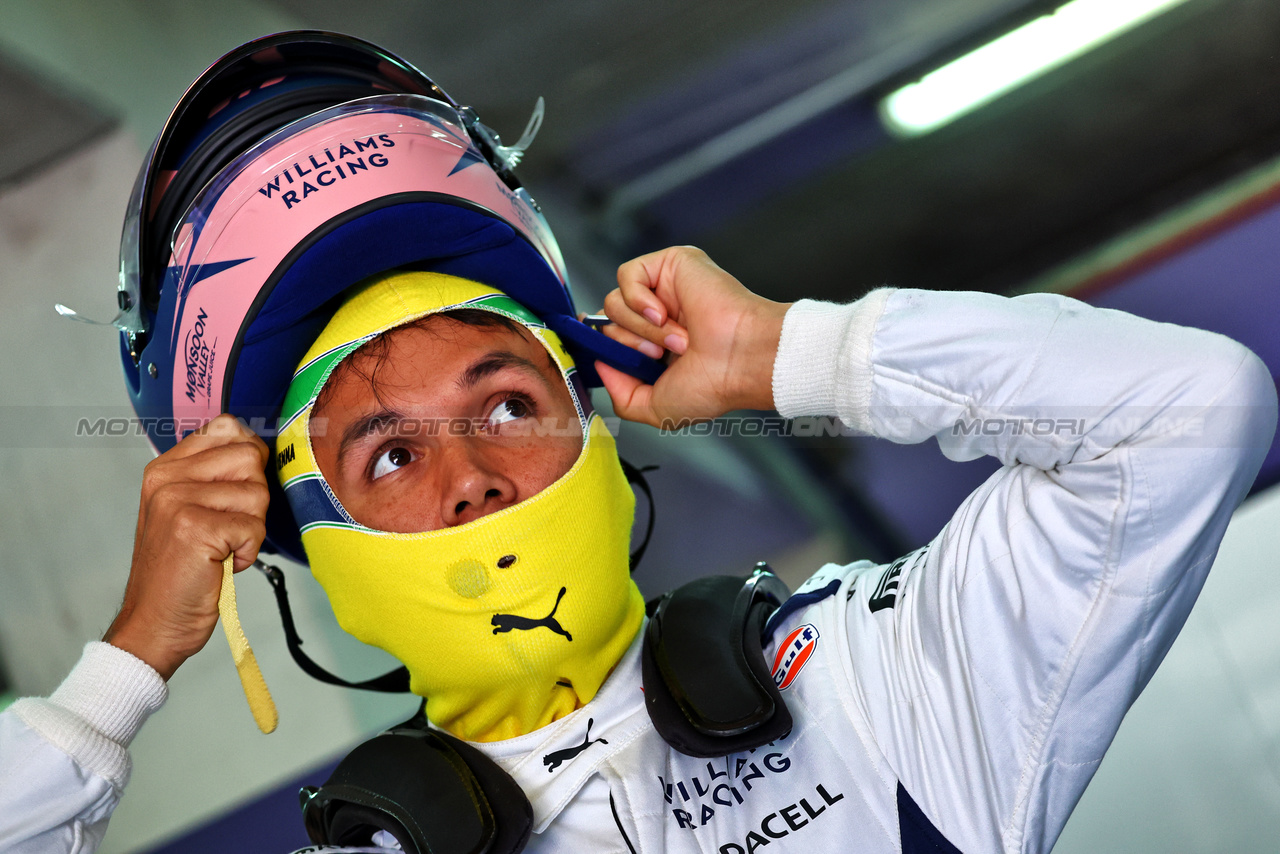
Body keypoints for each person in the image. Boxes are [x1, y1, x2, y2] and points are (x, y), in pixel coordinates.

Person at [1, 30, 1276, 854]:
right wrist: (120, 671)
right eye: (387, 456)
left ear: (600, 430)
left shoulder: (884, 685)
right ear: (300, 540)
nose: (473, 481)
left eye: (509, 404)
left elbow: (1187, 412)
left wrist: (798, 355)